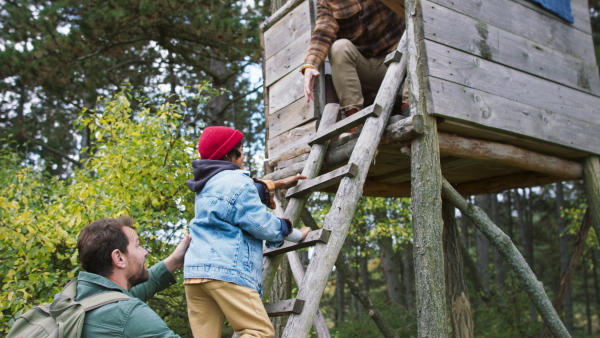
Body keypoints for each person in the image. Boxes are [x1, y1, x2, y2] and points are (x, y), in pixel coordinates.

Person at [184, 126, 312, 338]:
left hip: (194, 275)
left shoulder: (204, 186)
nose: (243, 156)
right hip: (225, 272)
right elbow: (262, 225)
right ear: (228, 155)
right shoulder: (237, 181)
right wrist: (293, 232)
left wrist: (277, 183)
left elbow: (237, 196)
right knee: (259, 332)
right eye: (241, 151)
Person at [301, 0, 406, 134]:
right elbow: (323, 30)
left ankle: (410, 110)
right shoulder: (327, 2)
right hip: (362, 69)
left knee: (409, 42)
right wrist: (310, 64)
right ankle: (354, 123)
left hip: (395, 63)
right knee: (339, 47)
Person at [75, 216, 191, 337]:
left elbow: (132, 294)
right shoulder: (128, 315)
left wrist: (174, 262)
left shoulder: (74, 299)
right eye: (137, 245)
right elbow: (125, 311)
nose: (145, 252)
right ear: (119, 258)